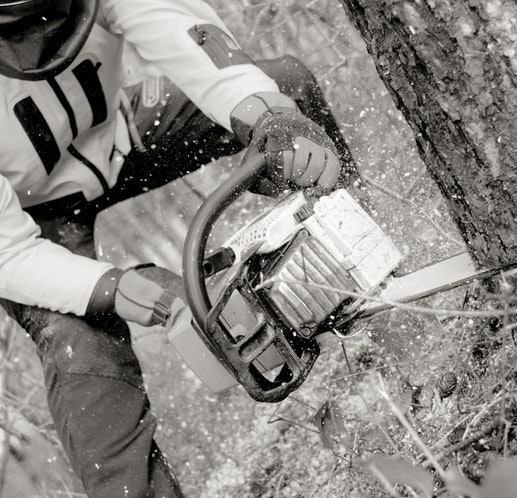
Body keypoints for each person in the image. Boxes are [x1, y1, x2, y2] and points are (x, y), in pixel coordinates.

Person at [0, 0, 353, 495]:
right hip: (31, 219)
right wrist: (118, 289)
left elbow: (179, 28)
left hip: (115, 137)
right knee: (78, 338)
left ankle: (358, 262)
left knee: (285, 90)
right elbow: (8, 255)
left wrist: (264, 113)